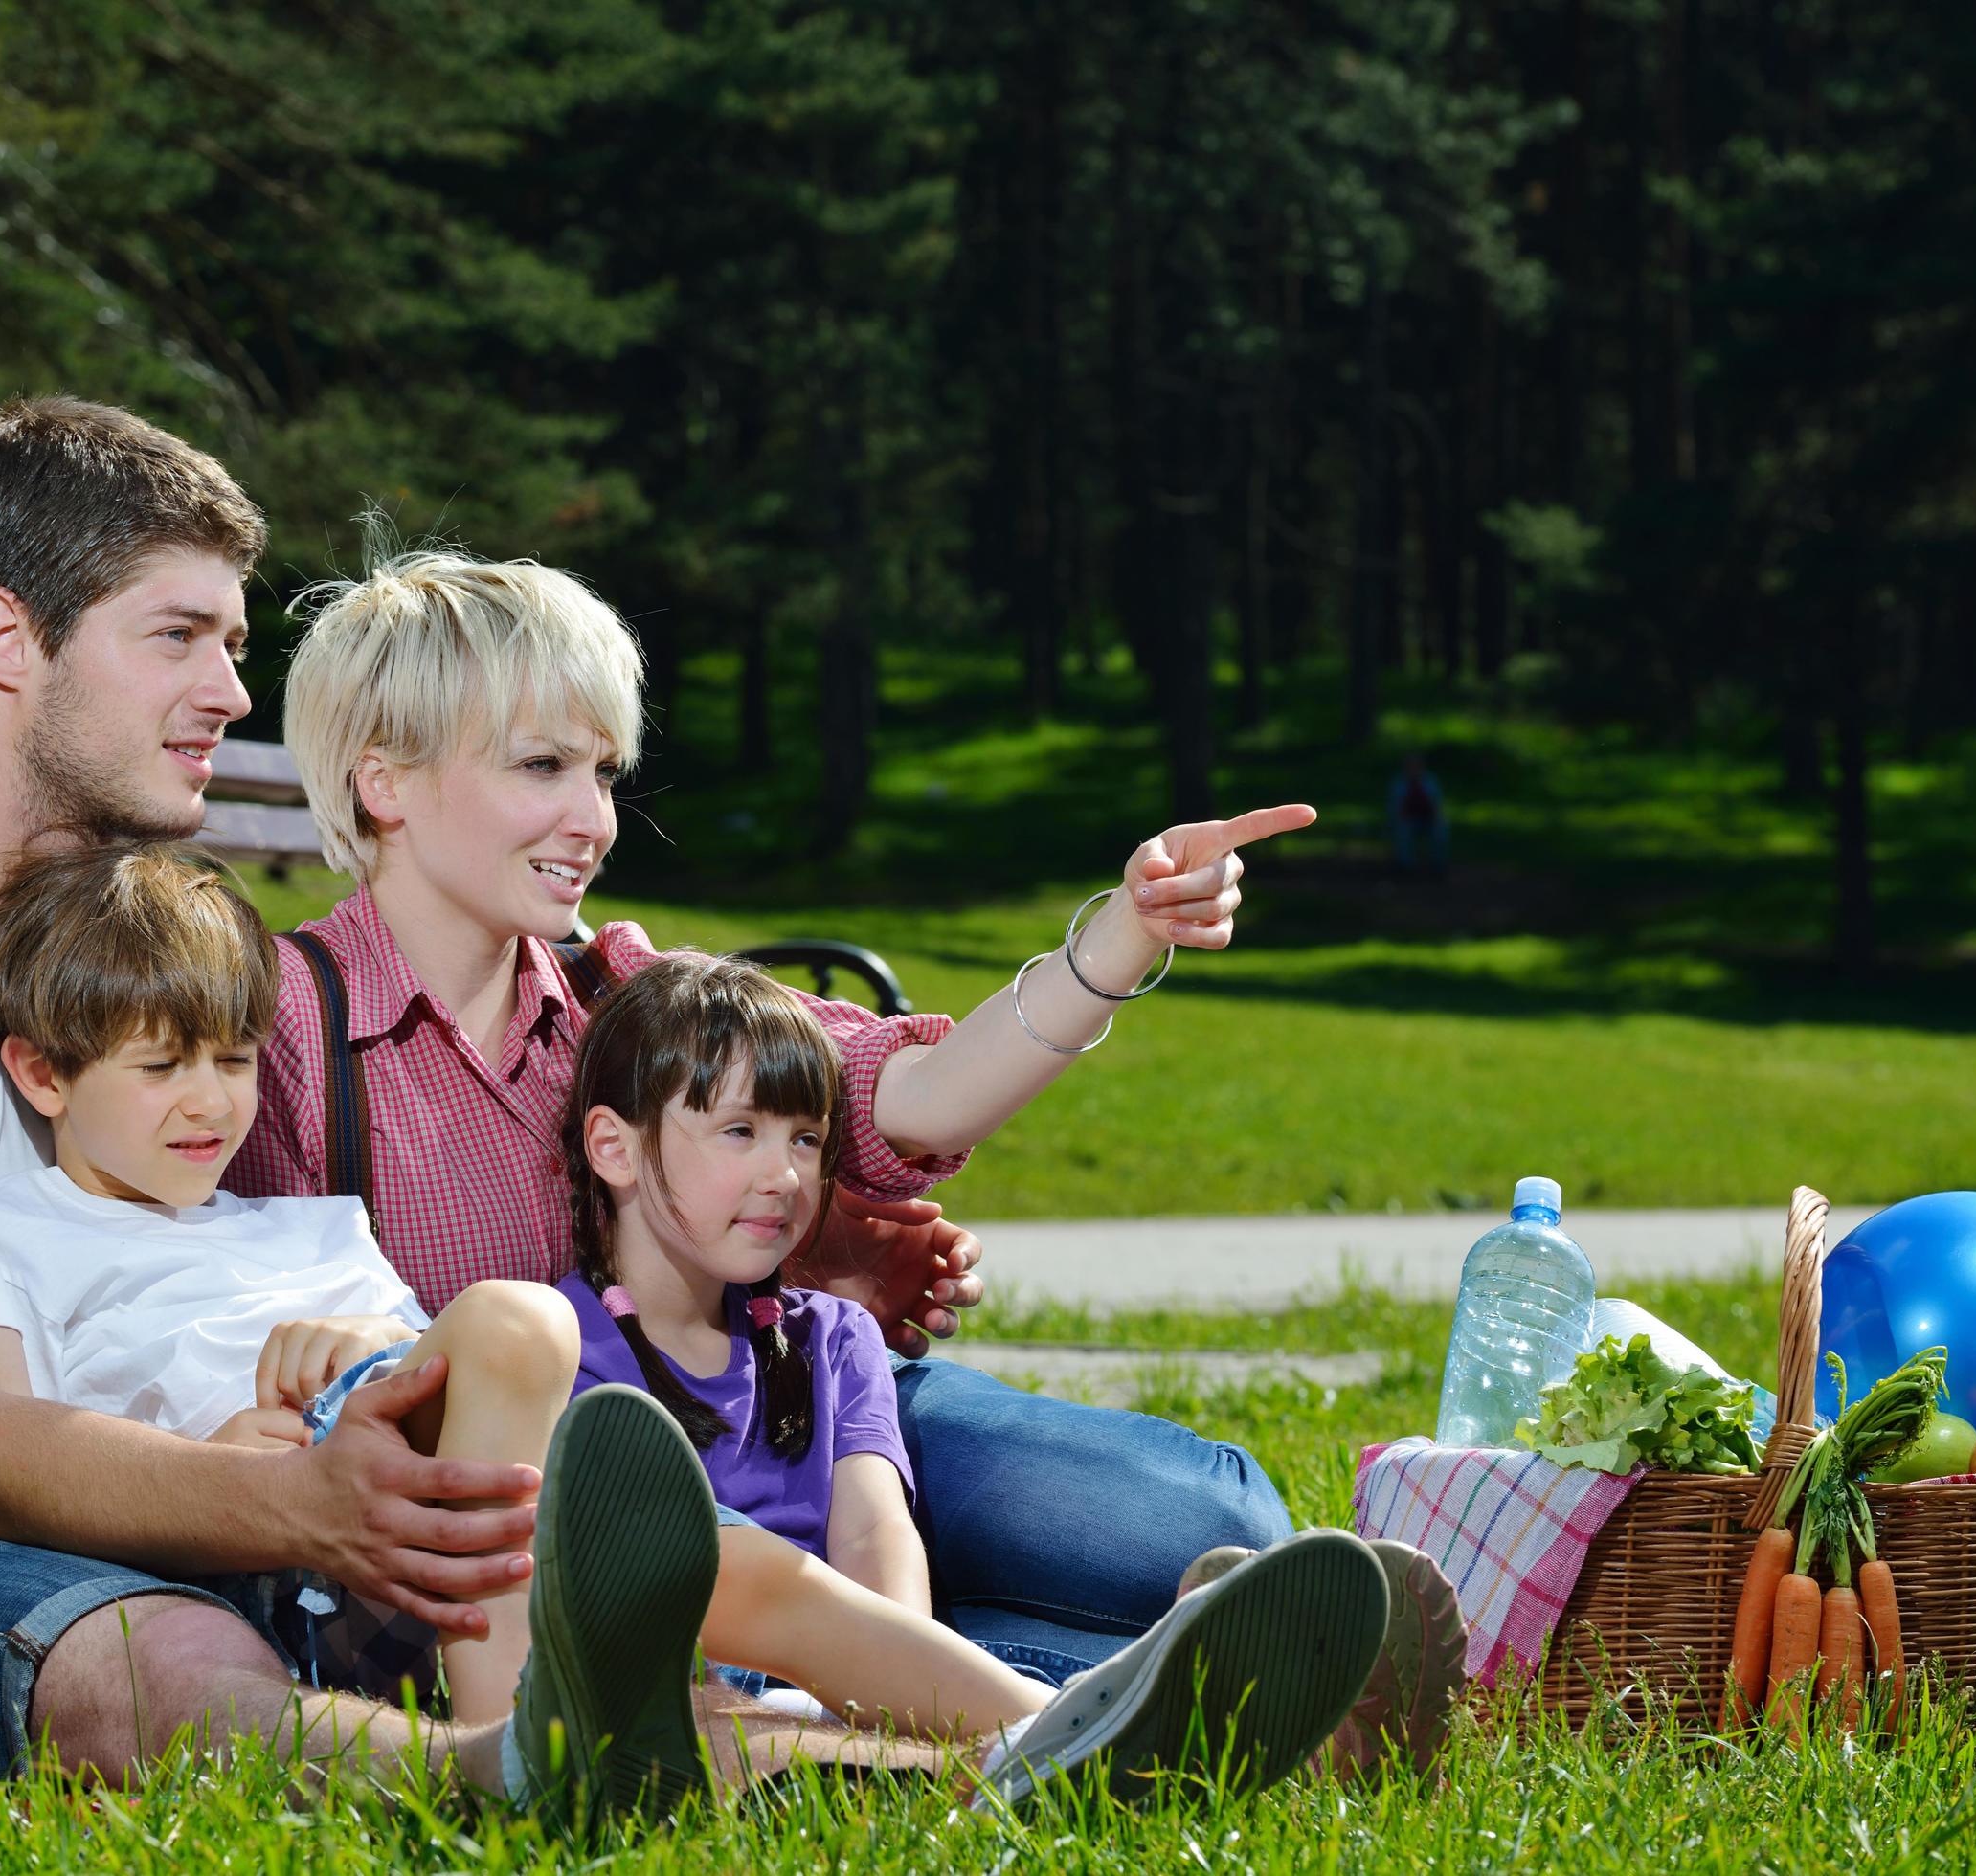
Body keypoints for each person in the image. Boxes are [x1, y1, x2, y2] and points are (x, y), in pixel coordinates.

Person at [0, 397, 888, 1803]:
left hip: (184, 1484)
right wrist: (297, 1506)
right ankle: (497, 1779)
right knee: (164, 1661)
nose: (235, 693)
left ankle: (965, 1740)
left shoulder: (143, 954)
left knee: (605, 1559)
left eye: (233, 643)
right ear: (6, 642)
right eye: (177, 636)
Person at [0, 841, 1401, 1803]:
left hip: (467, 1500)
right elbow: (52, 1469)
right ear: (39, 1073)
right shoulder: (25, 1247)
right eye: (167, 1066)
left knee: (734, 1593)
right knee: (526, 1330)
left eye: (233, 1061)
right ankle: (511, 1735)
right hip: (346, 1565)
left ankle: (1043, 1741)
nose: (213, 1103)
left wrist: (361, 1355)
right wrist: (255, 1440)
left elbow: (419, 1367)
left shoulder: (301, 1227)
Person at [232, 548, 1334, 1691]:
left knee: (1215, 1512)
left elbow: (902, 1089)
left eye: (604, 772)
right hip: (560, 1531)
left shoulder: (626, 992)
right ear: (385, 782)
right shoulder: (280, 1032)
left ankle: (1106, 1674)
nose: (592, 819)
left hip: (774, 1415)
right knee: (1128, 1607)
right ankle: (1162, 1689)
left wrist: (1123, 935)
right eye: (542, 765)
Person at [558, 948, 1415, 1798]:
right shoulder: (558, 1351)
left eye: (807, 1139)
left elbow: (872, 1532)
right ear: (615, 1148)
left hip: (870, 1671)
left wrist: (886, 1697)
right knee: (784, 1722)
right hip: (704, 1687)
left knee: (1056, 1667)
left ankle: (1267, 1723)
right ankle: (1187, 1745)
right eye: (740, 1131)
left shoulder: (832, 1337)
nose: (785, 1176)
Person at [1387, 753, 1449, 877]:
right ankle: (1406, 867)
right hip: (1408, 820)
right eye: (1410, 766)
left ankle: (1438, 867)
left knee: (1439, 831)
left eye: (1416, 766)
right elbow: (1395, 808)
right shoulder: (1399, 784)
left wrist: (1438, 819)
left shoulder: (1430, 782)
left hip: (1428, 820)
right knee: (1402, 830)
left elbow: (1436, 805)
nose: (1413, 769)